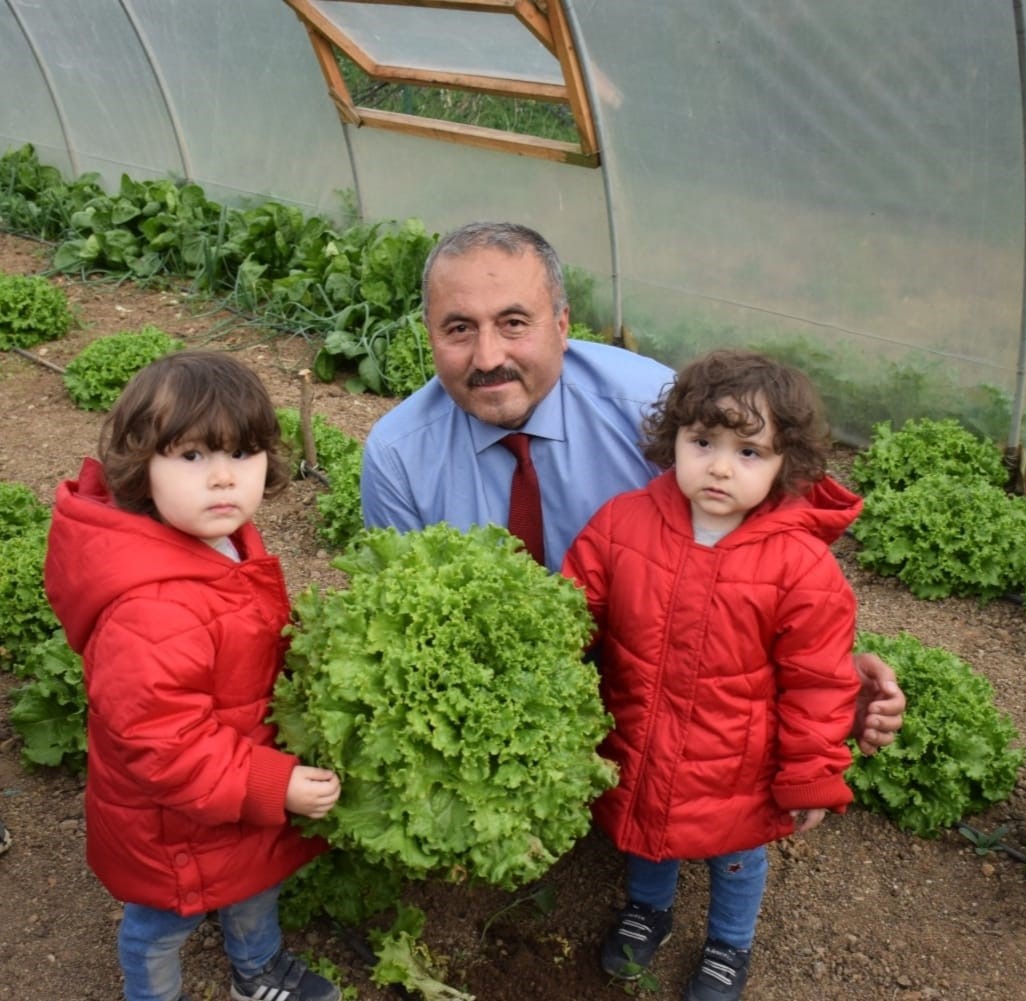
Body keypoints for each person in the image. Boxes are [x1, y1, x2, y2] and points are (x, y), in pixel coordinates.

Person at [360, 221, 906, 755]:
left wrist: (829, 669)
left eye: (513, 323)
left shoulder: (658, 409)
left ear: (563, 323)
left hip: (658, 685)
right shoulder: (398, 454)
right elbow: (412, 623)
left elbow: (762, 553)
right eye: (458, 329)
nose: (487, 357)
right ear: (429, 332)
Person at [562, 348, 862, 1001]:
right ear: (674, 440)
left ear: (788, 465)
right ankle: (648, 910)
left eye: (749, 452)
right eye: (703, 441)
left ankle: (729, 944)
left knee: (736, 854)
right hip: (640, 735)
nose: (721, 465)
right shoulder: (622, 523)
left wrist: (811, 772)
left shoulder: (802, 566)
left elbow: (820, 682)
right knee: (647, 833)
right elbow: (570, 609)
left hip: (738, 762)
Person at [43, 351, 343, 1001]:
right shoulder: (148, 607)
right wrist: (275, 781)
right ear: (138, 465)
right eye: (192, 457)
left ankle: (256, 969)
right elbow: (165, 743)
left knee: (254, 884)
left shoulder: (227, 540)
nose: (222, 479)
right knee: (162, 923)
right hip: (172, 824)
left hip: (235, 794)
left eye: (242, 454)